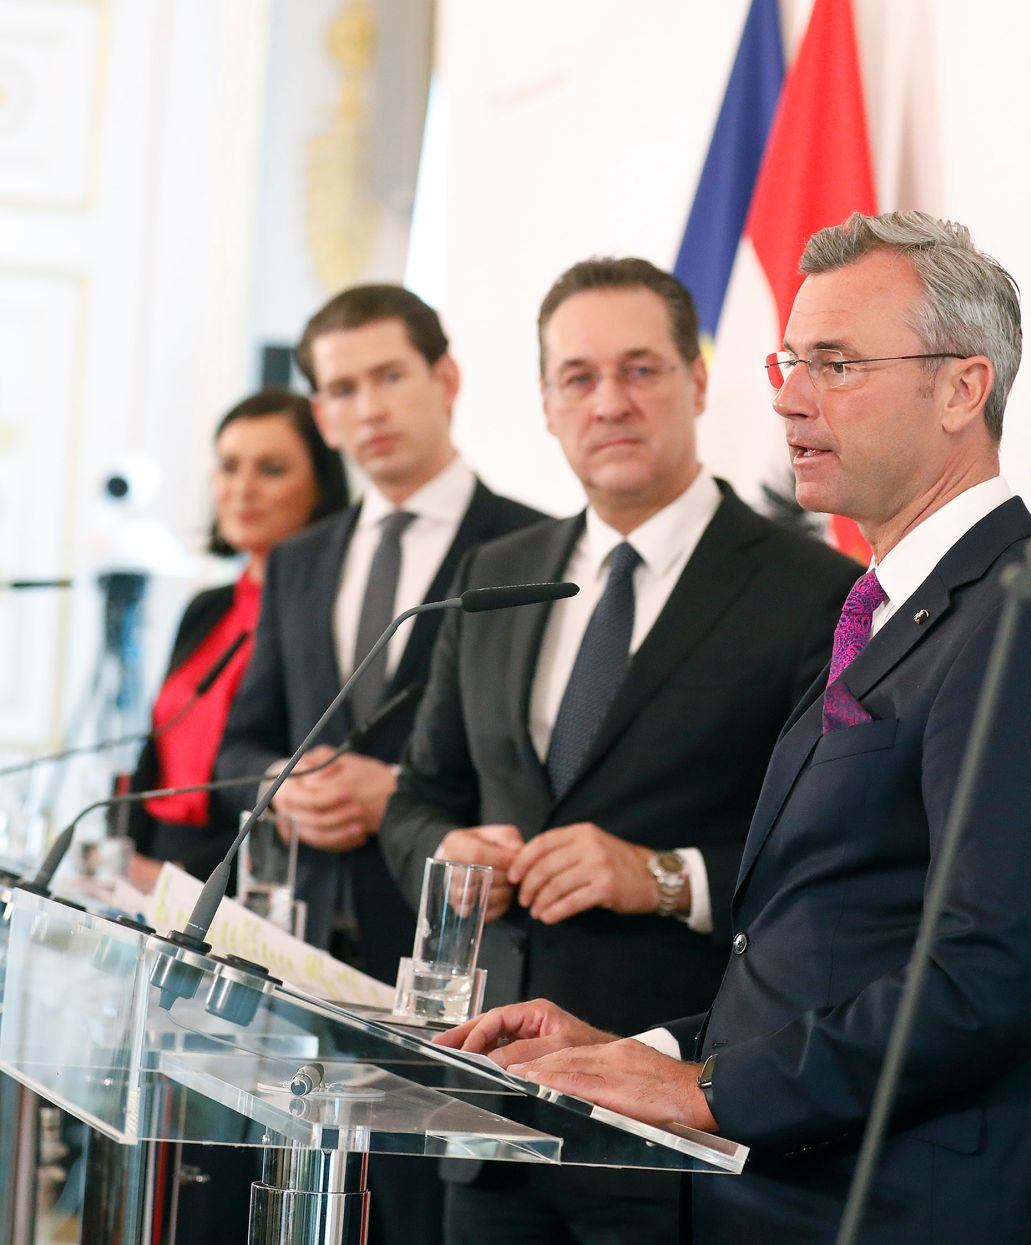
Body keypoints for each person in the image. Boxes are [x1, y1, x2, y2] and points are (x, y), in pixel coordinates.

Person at [441, 212, 1031, 1244]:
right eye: (790, 361)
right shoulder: (888, 614)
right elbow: (828, 947)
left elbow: (987, 980)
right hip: (793, 1193)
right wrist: (641, 1051)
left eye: (836, 363)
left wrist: (705, 1091)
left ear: (962, 389)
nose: (786, 396)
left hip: (917, 1209)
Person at [378, 257, 858, 1244]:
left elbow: (836, 862)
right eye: (579, 377)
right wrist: (448, 851)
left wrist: (662, 877)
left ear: (697, 381)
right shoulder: (495, 574)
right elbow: (417, 800)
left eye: (640, 370)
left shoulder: (813, 591)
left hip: (675, 1115)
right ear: (547, 405)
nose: (609, 402)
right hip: (490, 1104)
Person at [216, 284, 547, 1245]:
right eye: (342, 388)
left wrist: (398, 796)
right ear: (322, 414)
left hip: (453, 971)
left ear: (446, 379)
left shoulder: (530, 547)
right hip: (301, 966)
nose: (369, 407)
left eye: (390, 376)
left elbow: (535, 764)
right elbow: (242, 744)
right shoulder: (299, 559)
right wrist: (281, 789)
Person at [124, 389, 348, 886]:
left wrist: (183, 876)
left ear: (320, 487)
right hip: (150, 860)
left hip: (239, 876)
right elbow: (155, 750)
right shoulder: (208, 606)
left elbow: (284, 776)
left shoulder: (328, 618)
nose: (243, 489)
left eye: (271, 469)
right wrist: (127, 853)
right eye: (229, 467)